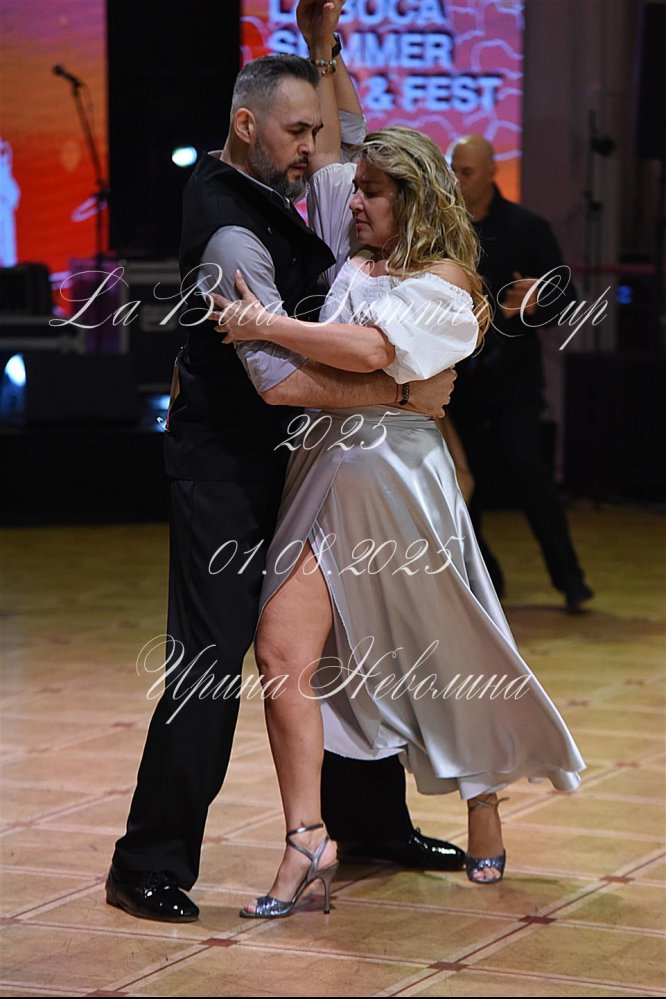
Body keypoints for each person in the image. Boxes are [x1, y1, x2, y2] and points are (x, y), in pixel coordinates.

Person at [106, 2, 463, 926]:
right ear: (245, 125)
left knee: (342, 646)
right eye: (296, 132)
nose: (313, 148)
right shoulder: (230, 233)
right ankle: (147, 861)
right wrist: (401, 395)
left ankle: (371, 825)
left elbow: (345, 146)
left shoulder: (281, 187)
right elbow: (276, 383)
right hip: (227, 472)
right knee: (210, 662)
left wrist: (320, 45)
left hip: (303, 467)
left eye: (313, 130)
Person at [213, 121, 586, 918]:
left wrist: (268, 325)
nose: (356, 202)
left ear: (412, 199)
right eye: (358, 189)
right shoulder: (356, 261)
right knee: (280, 649)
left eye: (374, 192)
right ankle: (306, 838)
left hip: (401, 487)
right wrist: (326, 61)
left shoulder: (450, 285)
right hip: (324, 477)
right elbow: (340, 137)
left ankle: (483, 797)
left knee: (448, 653)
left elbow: (370, 349)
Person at [447, 135, 594, 613]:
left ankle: (570, 579)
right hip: (457, 381)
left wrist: (535, 302)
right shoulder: (444, 228)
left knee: (530, 473)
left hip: (513, 382)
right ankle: (484, 575)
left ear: (492, 172)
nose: (458, 180)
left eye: (467, 171)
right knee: (462, 481)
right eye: (453, 169)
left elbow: (565, 300)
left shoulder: (527, 228)